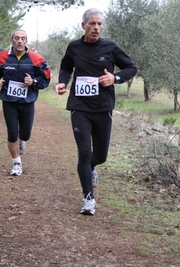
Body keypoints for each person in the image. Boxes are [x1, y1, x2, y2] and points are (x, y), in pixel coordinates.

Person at [55, 8, 137, 215]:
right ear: (83, 26)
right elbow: (66, 67)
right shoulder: (74, 47)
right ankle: (88, 199)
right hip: (79, 107)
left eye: (99, 24)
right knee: (84, 153)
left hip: (103, 108)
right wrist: (62, 82)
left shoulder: (110, 47)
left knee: (100, 155)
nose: (96, 27)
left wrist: (115, 78)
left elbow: (131, 67)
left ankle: (91, 167)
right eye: (92, 24)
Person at [0, 28, 51, 176]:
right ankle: (17, 164)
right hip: (8, 101)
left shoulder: (36, 59)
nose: (20, 41)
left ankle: (22, 140)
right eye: (16, 38)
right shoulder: (2, 57)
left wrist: (34, 81)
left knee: (25, 134)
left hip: (27, 101)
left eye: (23, 38)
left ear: (26, 41)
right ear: (12, 41)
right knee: (12, 133)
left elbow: (46, 79)